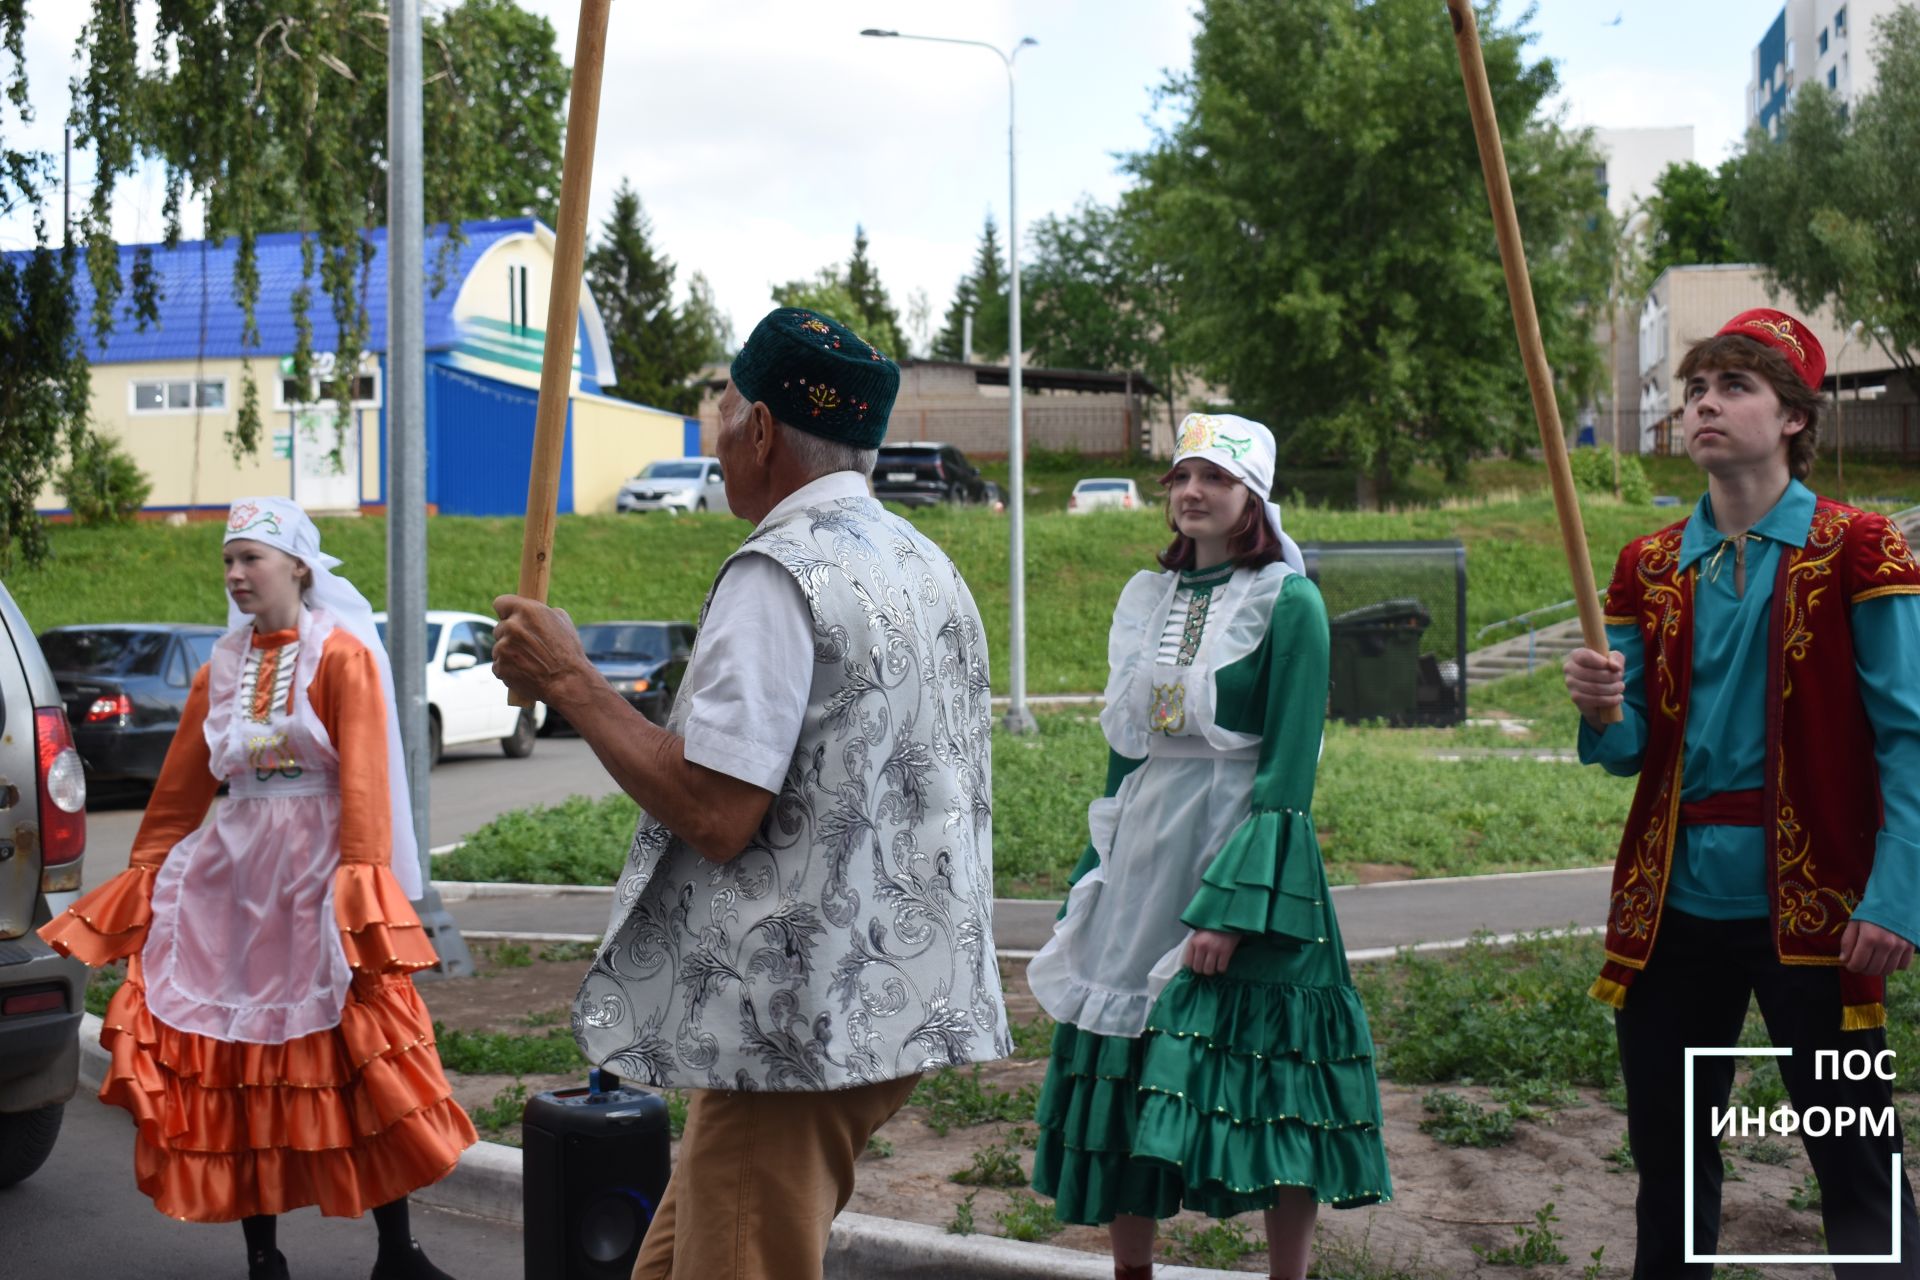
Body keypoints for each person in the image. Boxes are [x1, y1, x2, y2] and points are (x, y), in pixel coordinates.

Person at [491, 307, 1009, 1280]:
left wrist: (571, 681)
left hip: (790, 1025)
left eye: (723, 408)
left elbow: (717, 812)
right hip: (888, 1004)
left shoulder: (781, 573)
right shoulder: (921, 563)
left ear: (762, 428)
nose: (715, 433)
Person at [1566, 308, 1920, 1276]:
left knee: (1855, 1156)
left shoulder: (1859, 548)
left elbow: (1909, 734)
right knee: (1668, 1165)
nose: (1704, 405)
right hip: (1671, 910)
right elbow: (1631, 749)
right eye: (1694, 390)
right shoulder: (1646, 564)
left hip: (1820, 909)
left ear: (1794, 416)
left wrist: (1898, 893)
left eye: (1734, 387)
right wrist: (1600, 704)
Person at [40, 497, 477, 1280]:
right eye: (228, 561)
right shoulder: (219, 670)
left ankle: (397, 1253)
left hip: (319, 876)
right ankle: (264, 1259)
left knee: (360, 1052)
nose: (236, 575)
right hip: (235, 883)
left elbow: (366, 783)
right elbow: (181, 789)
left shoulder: (341, 657)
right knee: (237, 1059)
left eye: (252, 559)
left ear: (299, 567)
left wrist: (360, 886)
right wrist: (146, 875)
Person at [1025, 414, 1392, 1280]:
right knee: (1123, 1062)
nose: (1192, 492)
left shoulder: (1289, 602)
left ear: (1252, 495)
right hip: (1146, 847)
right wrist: (1096, 868)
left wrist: (1231, 908)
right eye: (1181, 477)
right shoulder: (1147, 600)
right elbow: (1126, 752)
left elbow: (1289, 771)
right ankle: (1132, 1271)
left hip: (1243, 847)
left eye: (1215, 479)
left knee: (1277, 1079)